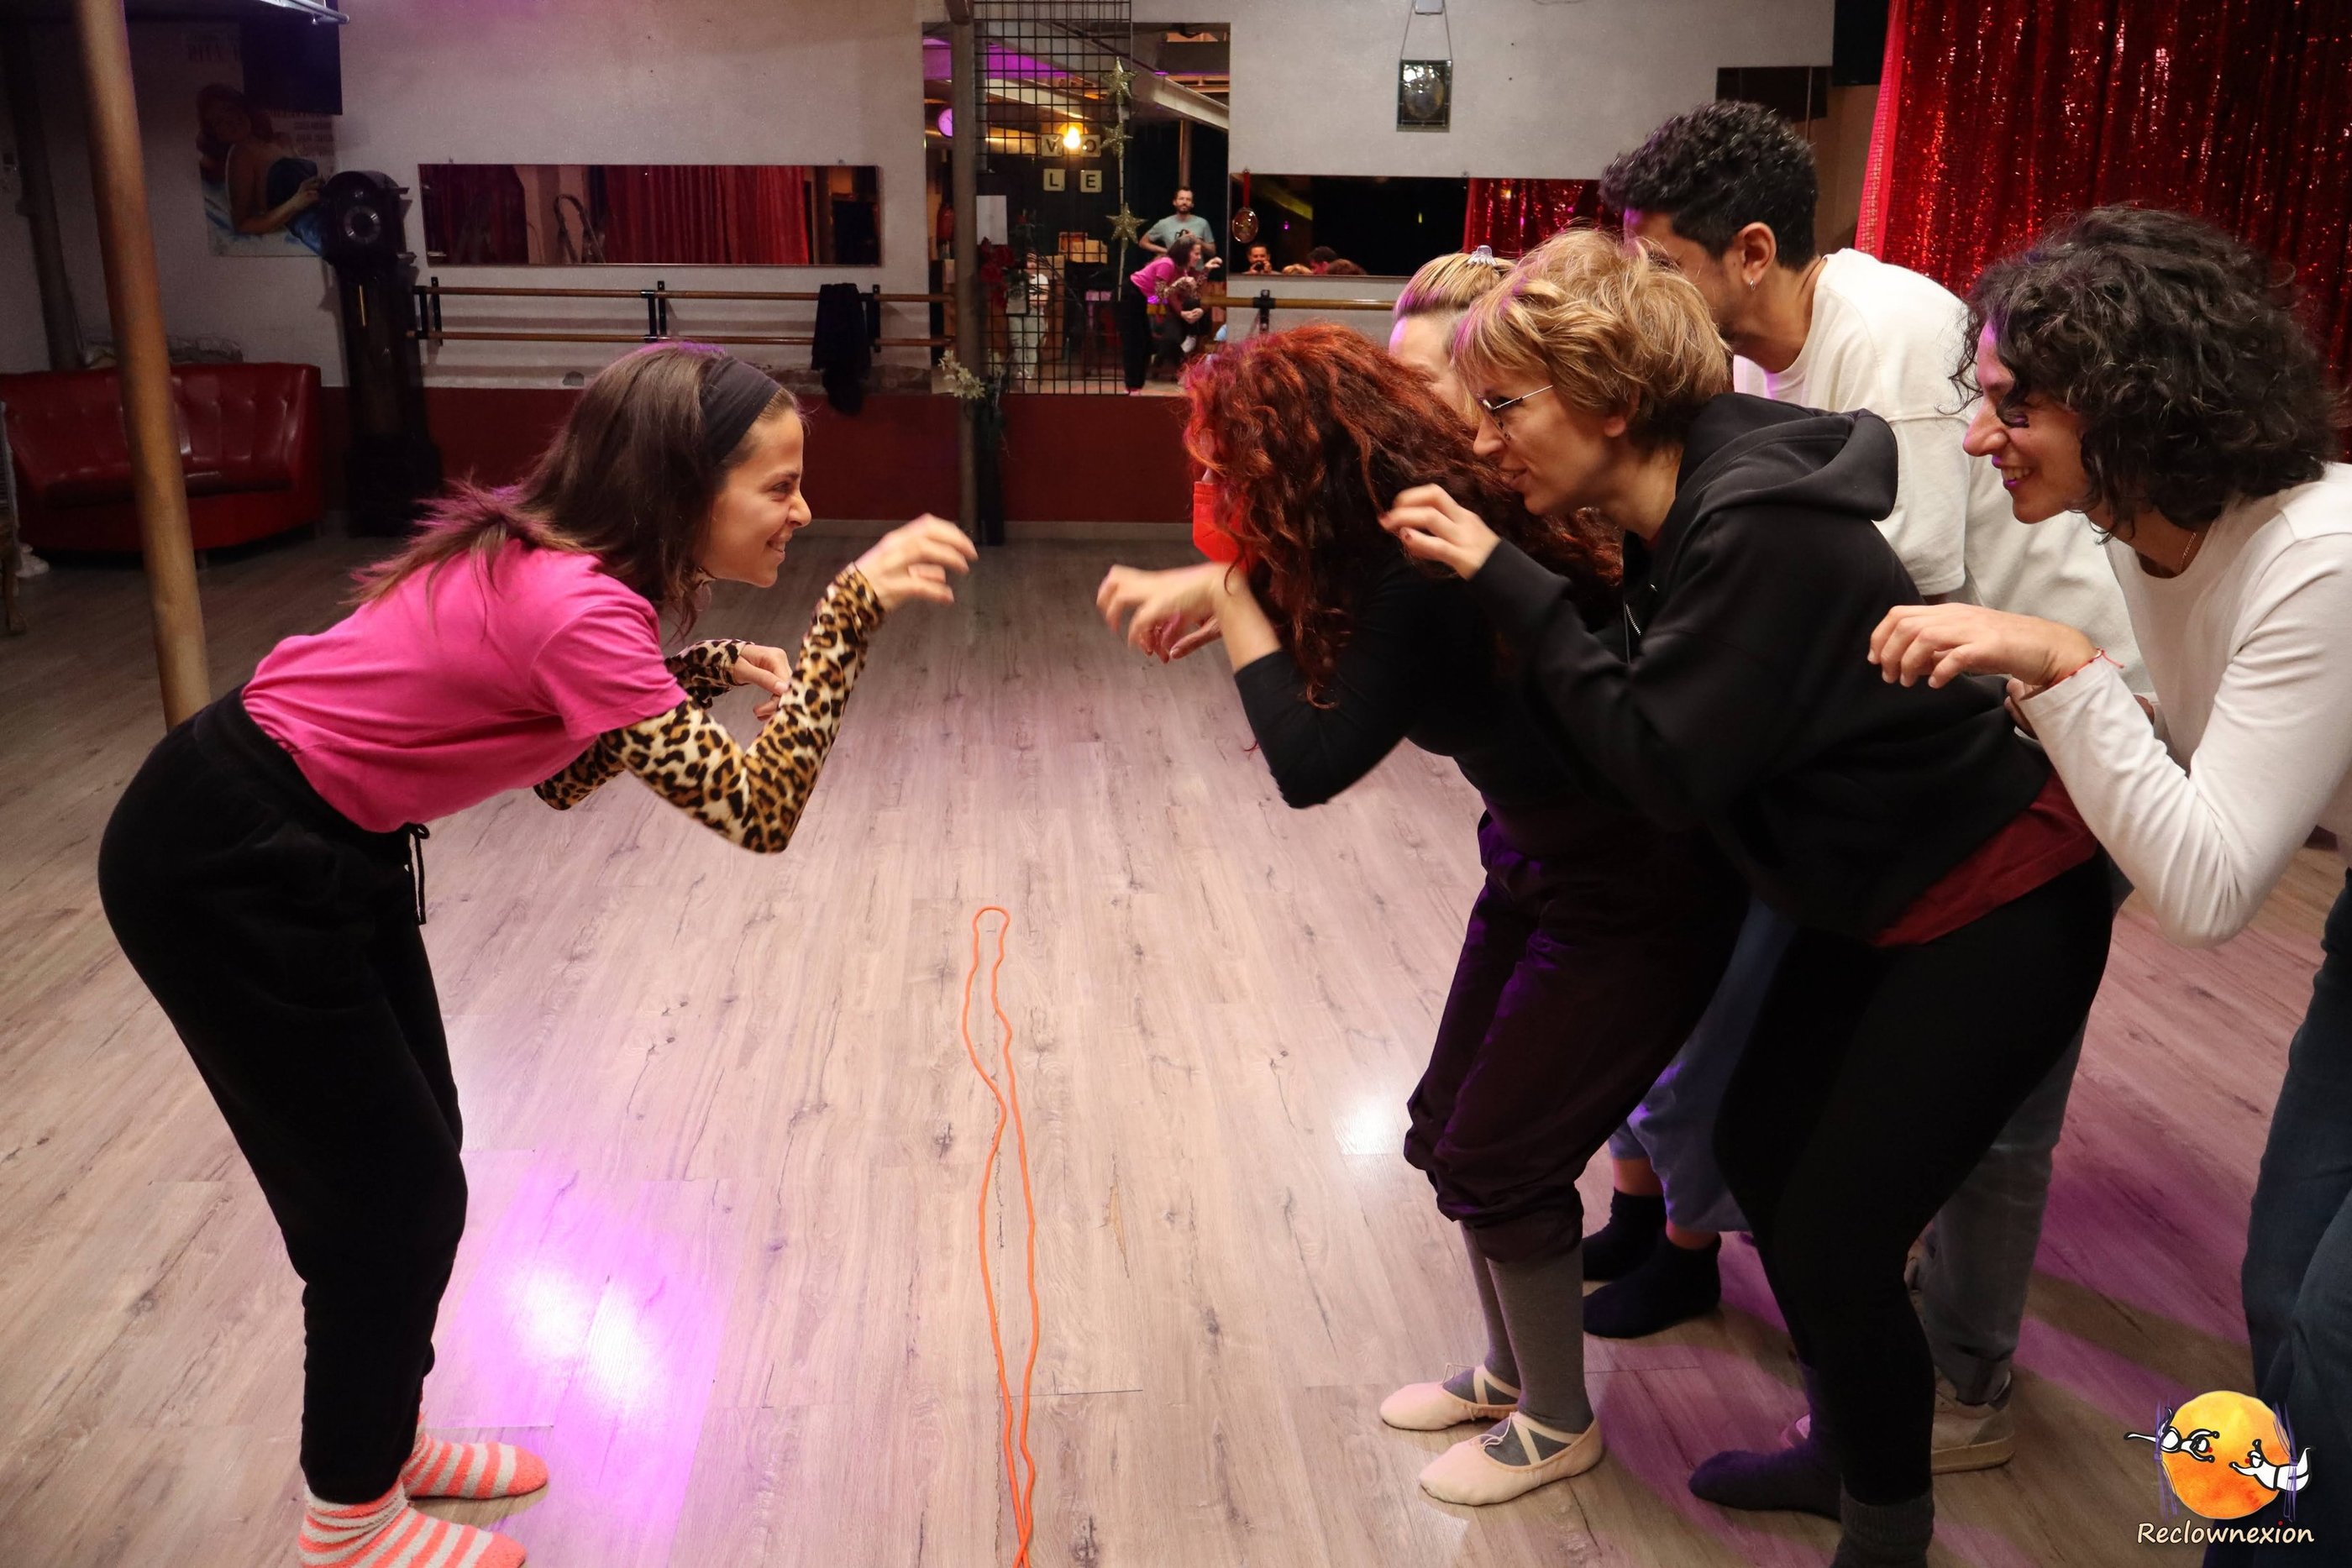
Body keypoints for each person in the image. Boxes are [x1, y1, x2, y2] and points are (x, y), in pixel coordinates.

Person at [96, 343, 975, 1568]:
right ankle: (347, 1518)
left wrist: (692, 673)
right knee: (385, 1201)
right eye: (778, 487)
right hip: (230, 860)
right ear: (681, 483)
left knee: (418, 1158)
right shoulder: (576, 601)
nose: (803, 511)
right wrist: (846, 617)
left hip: (312, 841)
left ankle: (380, 1443)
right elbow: (758, 809)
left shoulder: (564, 567)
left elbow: (559, 769)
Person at [1383, 229, 2115, 1568]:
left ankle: (1887, 1527)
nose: (1482, 439)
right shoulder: (1683, 514)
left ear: (1611, 401)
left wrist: (1506, 577)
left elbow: (1664, 765)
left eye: (1503, 406)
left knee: (1835, 1230)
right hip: (1877, 892)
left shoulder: (1752, 528)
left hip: (1995, 899)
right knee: (1762, 1153)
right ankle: (1847, 1450)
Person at [1576, 101, 2147, 1471]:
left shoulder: (1884, 330)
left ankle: (1963, 1386)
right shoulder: (1754, 356)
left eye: (1661, 263)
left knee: (1996, 1118)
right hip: (1957, 739)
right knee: (1831, 1106)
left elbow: (1900, 578)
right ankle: (1869, 1358)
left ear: (1751, 250)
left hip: (2064, 736)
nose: (1643, 291)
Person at [1097, 321, 1745, 1507]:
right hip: (1545, 859)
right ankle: (1512, 1373)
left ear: (1296, 464)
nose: (1213, 492)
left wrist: (1232, 592)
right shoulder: (1387, 541)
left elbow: (1313, 762)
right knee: (1451, 1128)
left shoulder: (1415, 560)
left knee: (1500, 1156)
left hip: (1637, 887)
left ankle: (1557, 1420)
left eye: (1225, 470)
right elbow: (1358, 638)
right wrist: (1230, 586)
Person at [1866, 207, 2349, 1566]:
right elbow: (2196, 755)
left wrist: (2058, 661)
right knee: (2281, 1284)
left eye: (2014, 404)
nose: (1977, 436)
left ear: (2137, 403)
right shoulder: (2152, 542)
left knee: (2336, 1331)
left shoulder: (2321, 555)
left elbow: (2206, 890)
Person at [197, 83, 322, 244]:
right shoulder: (240, 153)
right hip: (310, 224)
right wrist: (295, 204)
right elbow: (243, 225)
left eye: (229, 109)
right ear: (216, 134)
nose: (230, 121)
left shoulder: (282, 139)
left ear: (241, 107)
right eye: (218, 122)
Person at [1122, 233, 1201, 392]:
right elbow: (1159, 296)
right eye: (1196, 253)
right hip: (1131, 293)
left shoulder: (1181, 270)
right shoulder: (1167, 264)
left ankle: (1136, 386)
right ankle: (1132, 387)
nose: (1199, 257)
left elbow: (1187, 295)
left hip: (1143, 298)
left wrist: (1192, 310)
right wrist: (1179, 284)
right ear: (1185, 253)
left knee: (1145, 343)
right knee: (1136, 342)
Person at [1139, 186, 1217, 260]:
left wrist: (1197, 241)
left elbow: (1212, 252)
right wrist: (1166, 251)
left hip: (1196, 269)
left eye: (1188, 199)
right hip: (1172, 268)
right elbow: (1143, 243)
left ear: (1192, 204)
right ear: (1174, 202)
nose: (1184, 202)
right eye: (1181, 199)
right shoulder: (1164, 224)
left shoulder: (1202, 223)